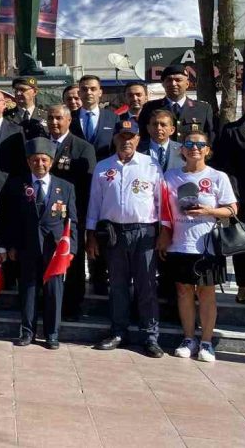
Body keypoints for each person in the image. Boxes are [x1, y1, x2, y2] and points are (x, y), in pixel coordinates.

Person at [87, 120, 164, 358]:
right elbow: (95, 204)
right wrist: (91, 236)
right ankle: (118, 331)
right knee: (118, 286)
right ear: (115, 139)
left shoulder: (151, 165)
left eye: (131, 137)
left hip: (144, 232)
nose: (126, 141)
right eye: (122, 136)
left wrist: (164, 234)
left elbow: (161, 202)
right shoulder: (103, 166)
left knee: (146, 286)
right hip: (114, 234)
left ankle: (150, 336)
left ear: (139, 139)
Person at [159, 131, 237, 362]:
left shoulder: (217, 176)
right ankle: (188, 337)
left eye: (200, 144)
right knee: (183, 291)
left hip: (207, 245)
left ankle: (206, 341)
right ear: (182, 150)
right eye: (190, 144)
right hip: (179, 244)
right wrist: (164, 235)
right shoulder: (170, 176)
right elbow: (164, 210)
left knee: (206, 293)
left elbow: (232, 209)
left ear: (207, 150)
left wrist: (208, 212)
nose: (195, 148)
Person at [0, 137, 78, 350]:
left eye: (44, 160)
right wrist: (10, 245)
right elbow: (9, 219)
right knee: (28, 290)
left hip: (55, 252)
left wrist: (71, 249)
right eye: (35, 160)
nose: (39, 164)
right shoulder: (17, 185)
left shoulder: (66, 187)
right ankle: (27, 332)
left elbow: (73, 221)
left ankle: (52, 334)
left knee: (54, 292)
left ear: (51, 162)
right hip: (27, 247)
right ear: (28, 162)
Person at [210, 84, 245, 304]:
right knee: (242, 239)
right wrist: (231, 195)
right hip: (242, 191)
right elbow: (224, 166)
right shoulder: (231, 130)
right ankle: (242, 285)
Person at [42, 105, 97, 315]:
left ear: (68, 121)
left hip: (73, 213)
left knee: (71, 257)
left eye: (58, 118)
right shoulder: (42, 144)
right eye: (50, 118)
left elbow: (88, 183)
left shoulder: (83, 148)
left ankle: (73, 304)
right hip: (46, 213)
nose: (54, 122)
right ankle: (47, 301)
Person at [139, 64, 215, 143]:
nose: (173, 84)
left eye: (178, 80)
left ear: (187, 84)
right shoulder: (150, 108)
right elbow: (143, 136)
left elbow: (210, 139)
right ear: (163, 84)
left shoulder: (203, 109)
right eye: (169, 80)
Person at [70, 75, 117, 161]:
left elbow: (116, 146)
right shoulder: (69, 117)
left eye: (93, 89)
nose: (89, 92)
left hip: (104, 169)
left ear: (100, 92)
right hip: (76, 169)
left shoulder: (113, 118)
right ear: (79, 93)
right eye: (84, 89)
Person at [139, 109, 185, 174]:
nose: (159, 128)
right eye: (155, 124)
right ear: (148, 128)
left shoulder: (183, 150)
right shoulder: (138, 149)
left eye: (163, 125)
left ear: (172, 130)